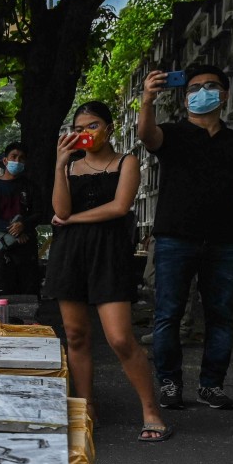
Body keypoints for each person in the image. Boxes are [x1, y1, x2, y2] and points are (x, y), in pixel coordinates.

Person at [45, 101, 171, 442]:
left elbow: (119, 207)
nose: (86, 133)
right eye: (80, 127)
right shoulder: (70, 167)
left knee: (119, 337)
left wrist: (72, 220)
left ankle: (151, 410)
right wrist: (59, 165)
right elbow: (59, 208)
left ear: (110, 127)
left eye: (93, 125)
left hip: (109, 253)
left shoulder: (126, 162)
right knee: (75, 336)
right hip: (70, 254)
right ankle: (86, 409)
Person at [138, 64, 233, 410]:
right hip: (175, 239)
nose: (201, 92)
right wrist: (147, 98)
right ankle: (170, 382)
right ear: (185, 96)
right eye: (194, 87)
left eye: (210, 86)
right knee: (168, 315)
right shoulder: (173, 134)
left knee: (221, 316)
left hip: (222, 241)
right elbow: (147, 136)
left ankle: (211, 385)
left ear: (224, 95)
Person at [0, 141, 43, 298]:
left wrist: (23, 225)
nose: (17, 161)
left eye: (22, 158)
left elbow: (38, 213)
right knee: (0, 296)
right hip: (0, 248)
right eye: (14, 156)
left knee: (28, 295)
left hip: (27, 248)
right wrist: (15, 231)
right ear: (5, 160)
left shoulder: (31, 187)